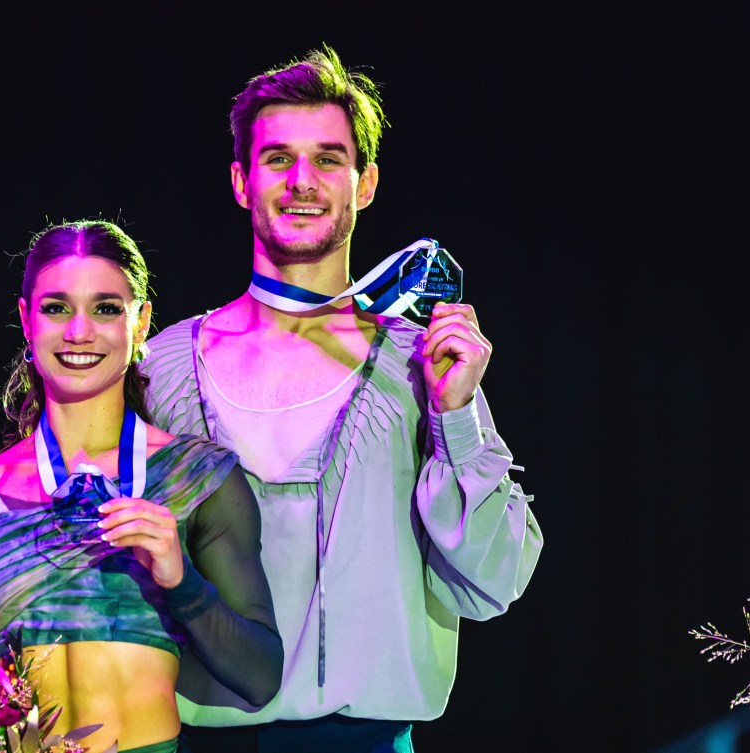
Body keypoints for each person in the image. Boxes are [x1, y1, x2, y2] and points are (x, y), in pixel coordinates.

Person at [141, 45, 544, 752]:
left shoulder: (422, 362)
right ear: (240, 180)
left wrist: (455, 418)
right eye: (277, 159)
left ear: (365, 183)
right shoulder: (164, 364)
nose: (302, 181)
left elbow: (492, 581)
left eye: (328, 159)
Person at [0, 219, 284, 753]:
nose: (79, 332)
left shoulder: (200, 480)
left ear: (141, 322)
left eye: (106, 309)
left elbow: (260, 677)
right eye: (56, 308)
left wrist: (182, 580)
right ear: (26, 320)